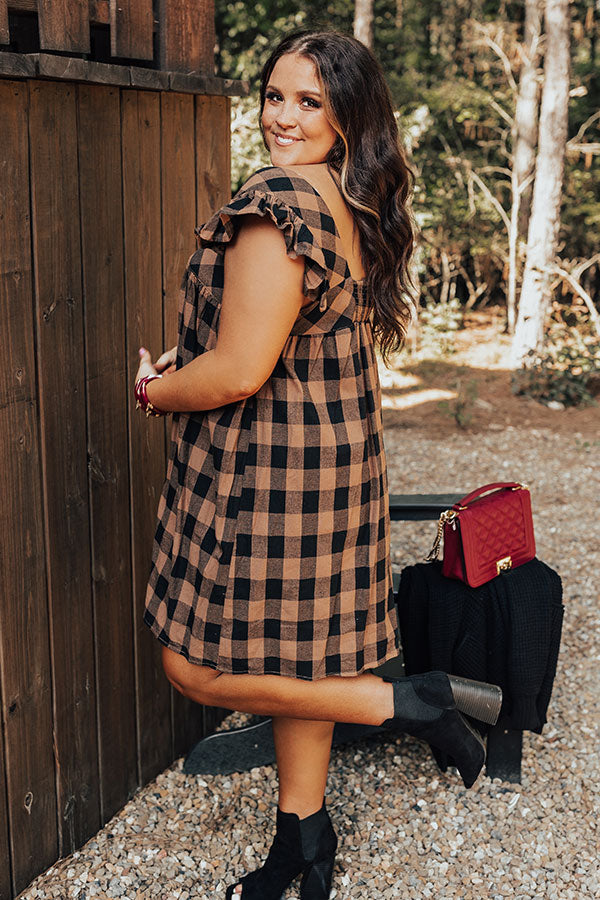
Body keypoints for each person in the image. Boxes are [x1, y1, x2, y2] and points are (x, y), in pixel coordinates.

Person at [134, 30, 502, 900]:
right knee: (312, 667)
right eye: (274, 96)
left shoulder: (277, 205)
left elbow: (236, 370)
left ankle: (415, 702)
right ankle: (303, 843)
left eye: (309, 101)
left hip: (267, 475)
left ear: (346, 116)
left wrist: (155, 390)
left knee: (191, 666)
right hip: (334, 462)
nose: (283, 116)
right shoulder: (348, 197)